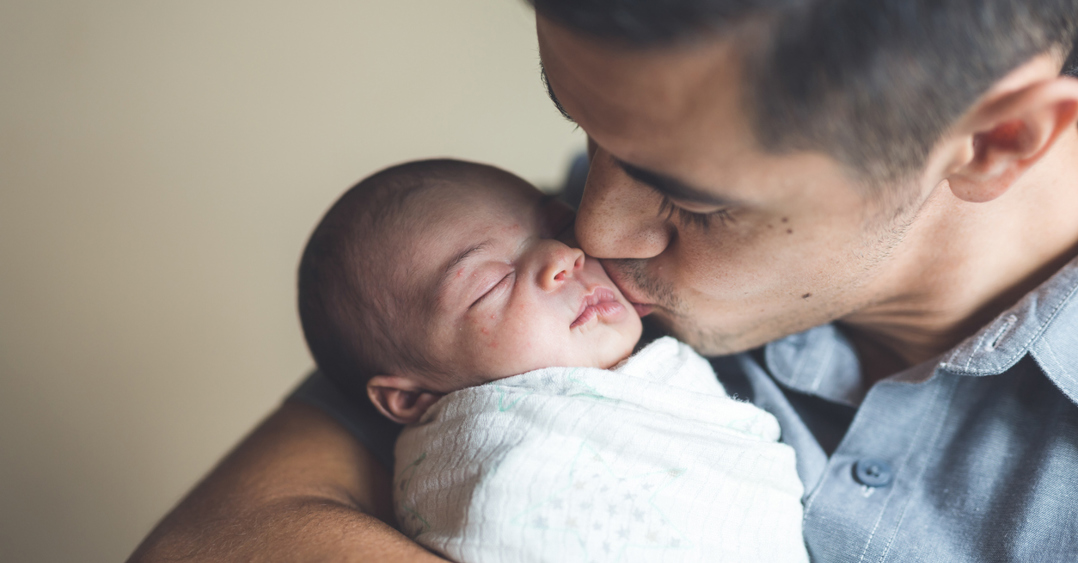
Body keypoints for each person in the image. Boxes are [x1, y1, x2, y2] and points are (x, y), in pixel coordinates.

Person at [129, 1, 1078, 561]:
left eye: (687, 195)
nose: (593, 228)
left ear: (997, 141)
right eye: (587, 135)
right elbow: (216, 541)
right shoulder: (549, 287)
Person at [297, 158, 806, 562]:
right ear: (410, 397)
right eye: (491, 283)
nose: (566, 257)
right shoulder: (483, 459)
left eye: (562, 228)